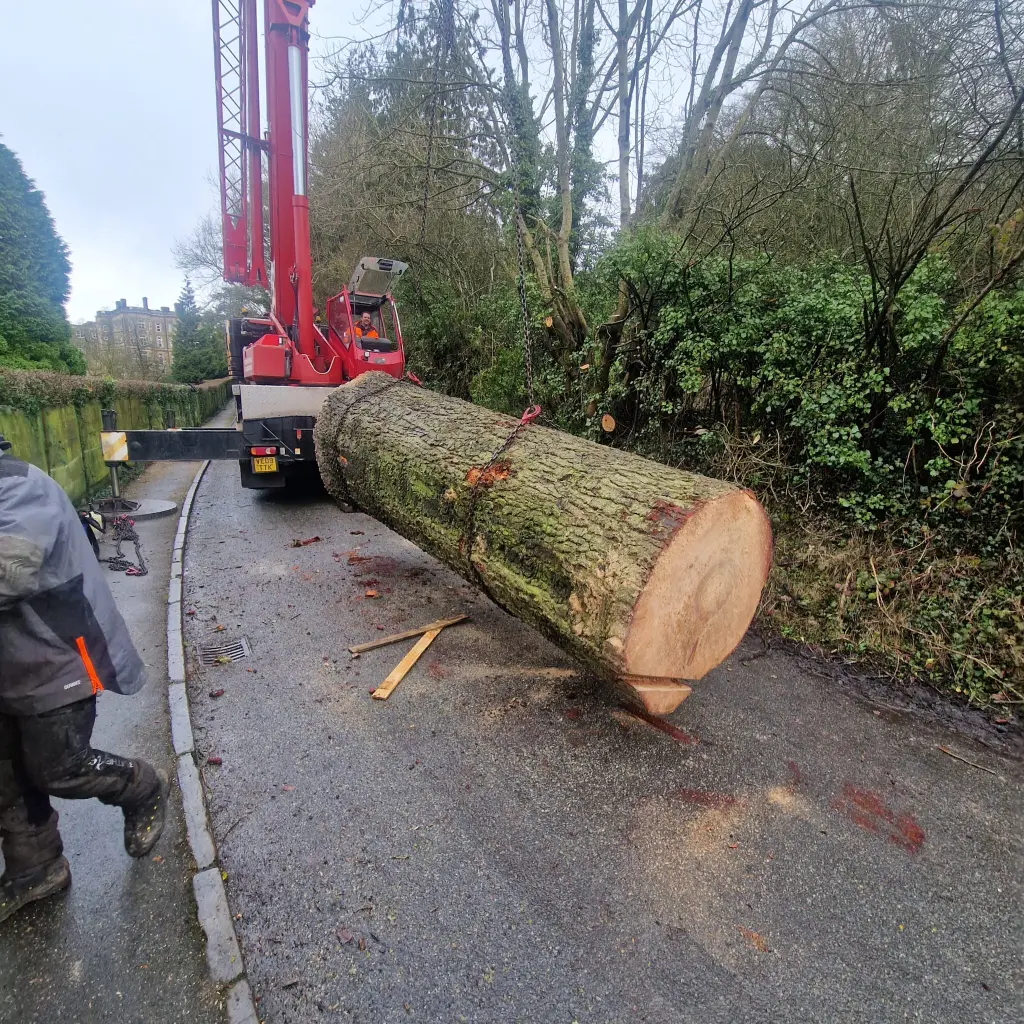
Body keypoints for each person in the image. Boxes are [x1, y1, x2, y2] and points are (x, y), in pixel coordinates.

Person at [0, 432, 168, 924]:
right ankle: (35, 871)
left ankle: (138, 785)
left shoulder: (17, 488)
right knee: (7, 777)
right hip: (10, 668)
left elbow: (11, 571)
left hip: (57, 660)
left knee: (58, 766)